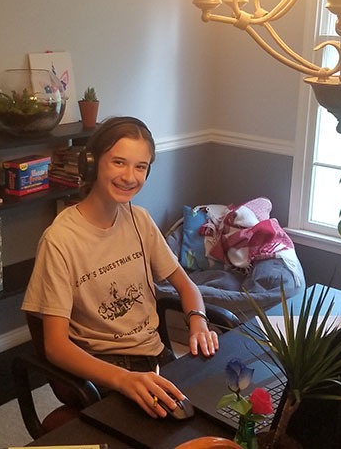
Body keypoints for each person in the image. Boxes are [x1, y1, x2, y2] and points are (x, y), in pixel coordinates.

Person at [21, 116, 219, 418]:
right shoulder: (60, 240)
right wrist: (123, 380)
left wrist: (198, 321)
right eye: (118, 162)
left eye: (140, 167)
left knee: (217, 410)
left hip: (153, 357)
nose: (130, 176)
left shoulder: (139, 219)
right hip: (104, 371)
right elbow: (55, 346)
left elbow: (185, 285)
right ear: (92, 163)